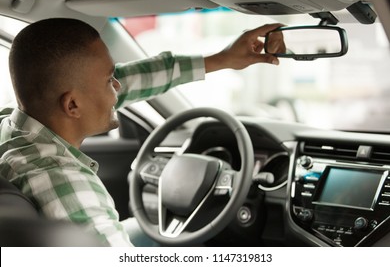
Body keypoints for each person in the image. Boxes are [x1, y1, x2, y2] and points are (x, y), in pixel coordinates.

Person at [0, 18, 285, 246]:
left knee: (151, 231)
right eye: (110, 79)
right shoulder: (63, 181)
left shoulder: (13, 124)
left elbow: (130, 80)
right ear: (73, 104)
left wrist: (222, 59)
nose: (119, 87)